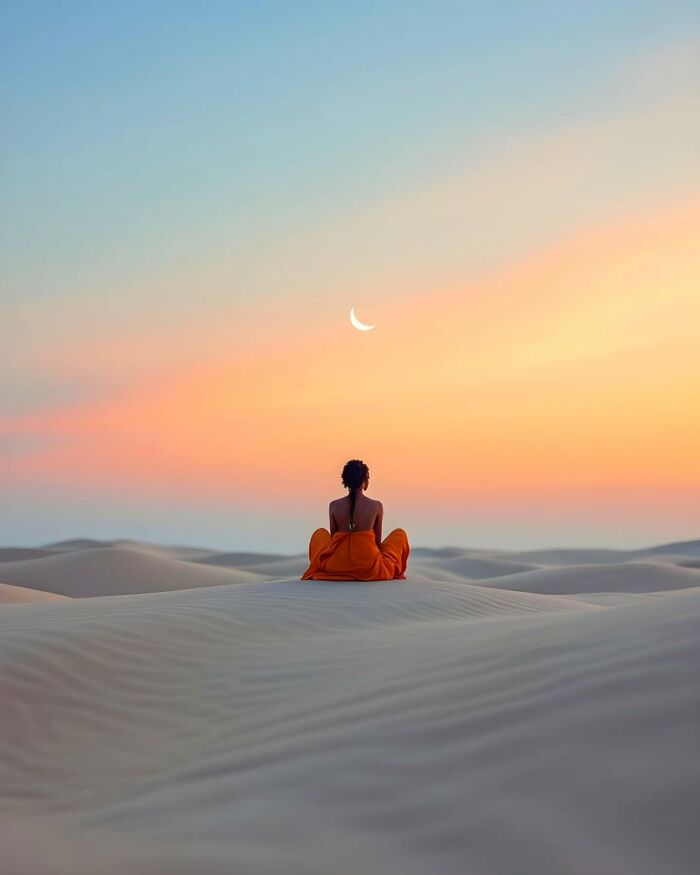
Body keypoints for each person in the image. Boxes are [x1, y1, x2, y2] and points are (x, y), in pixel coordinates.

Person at [301, 459, 410, 581]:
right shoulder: (376, 506)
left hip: (336, 566)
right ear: (365, 480)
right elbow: (377, 544)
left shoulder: (334, 506)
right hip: (369, 568)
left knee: (320, 533)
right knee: (400, 534)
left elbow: (333, 541)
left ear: (345, 481)